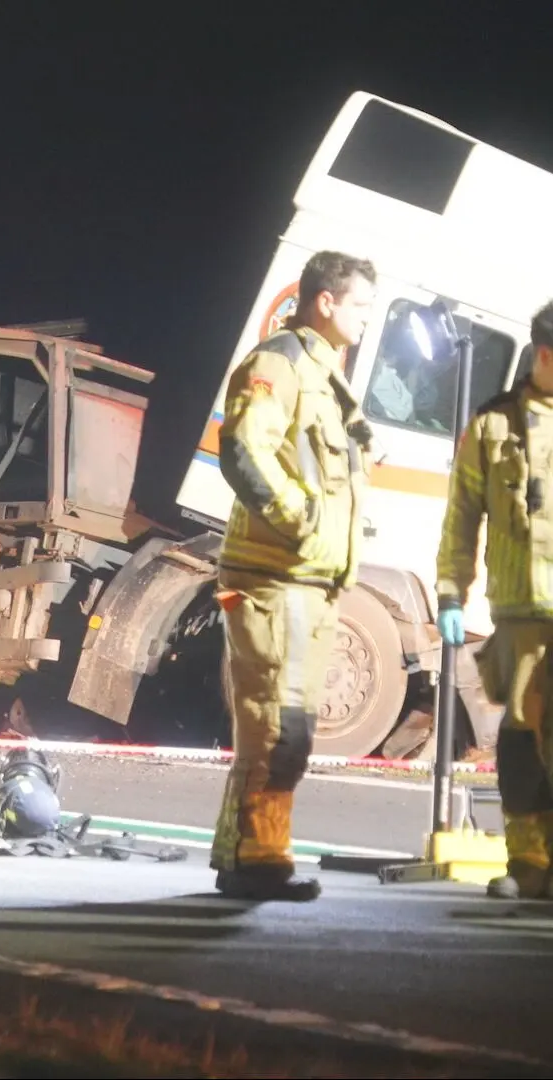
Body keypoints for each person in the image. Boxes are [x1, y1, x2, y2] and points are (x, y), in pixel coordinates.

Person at [211, 250, 376, 901]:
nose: (367, 317)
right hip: (277, 577)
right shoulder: (280, 363)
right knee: (278, 725)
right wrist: (302, 518)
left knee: (282, 726)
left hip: (308, 581)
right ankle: (259, 860)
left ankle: (249, 855)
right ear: (325, 302)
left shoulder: (328, 378)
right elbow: (243, 448)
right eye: (359, 304)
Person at [437, 300, 553, 900]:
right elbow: (461, 516)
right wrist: (451, 592)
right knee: (521, 737)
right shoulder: (494, 425)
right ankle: (527, 865)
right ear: (542, 355)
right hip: (522, 613)